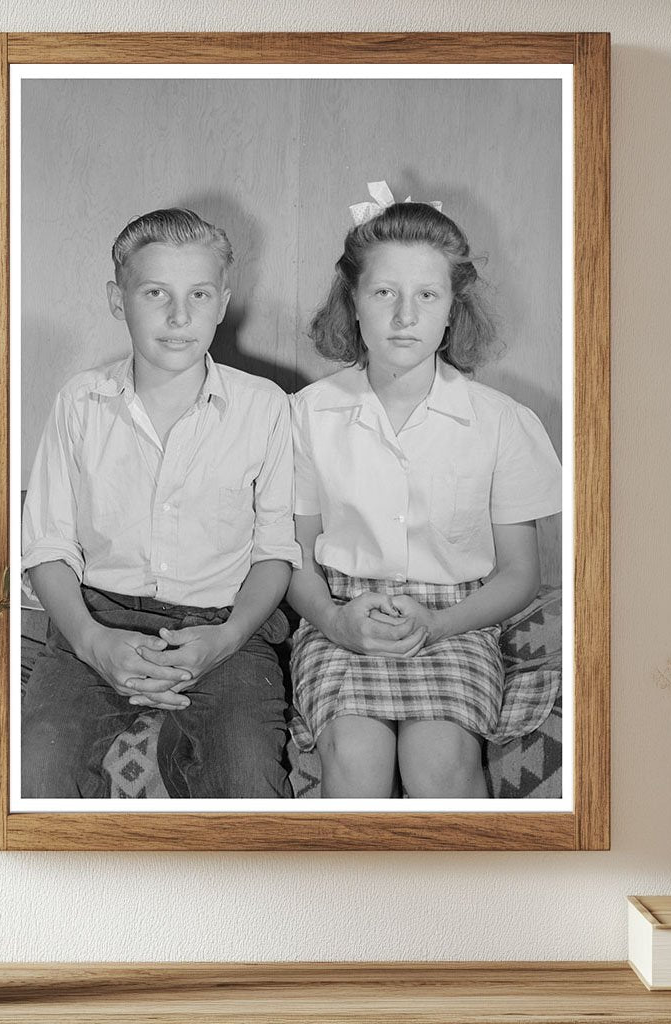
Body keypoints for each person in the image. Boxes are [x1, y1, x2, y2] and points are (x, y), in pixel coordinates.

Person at [287, 192, 562, 799]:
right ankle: (343, 894)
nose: (404, 315)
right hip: (342, 616)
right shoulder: (306, 417)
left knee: (439, 757)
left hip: (457, 623)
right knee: (354, 753)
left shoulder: (501, 422)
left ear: (452, 311)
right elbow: (295, 560)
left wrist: (438, 625)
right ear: (353, 302)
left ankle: (460, 896)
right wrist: (335, 620)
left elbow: (520, 573)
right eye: (384, 292)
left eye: (427, 295)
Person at [21, 208, 300, 799]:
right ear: (118, 300)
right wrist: (93, 643)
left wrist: (223, 640)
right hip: (97, 617)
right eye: (155, 293)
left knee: (249, 780)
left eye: (199, 293)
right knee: (39, 769)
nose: (179, 316)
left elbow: (275, 551)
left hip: (224, 626)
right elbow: (47, 547)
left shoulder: (266, 407)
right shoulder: (81, 402)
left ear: (223, 301)